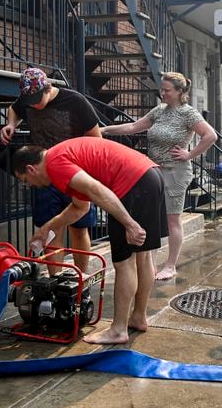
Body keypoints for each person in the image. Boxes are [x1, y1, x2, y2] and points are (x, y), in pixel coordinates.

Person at [12, 137, 166, 344]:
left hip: (132, 185)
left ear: (31, 169)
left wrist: (129, 223)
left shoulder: (55, 164)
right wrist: (47, 228)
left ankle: (118, 330)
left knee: (124, 262)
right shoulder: (62, 156)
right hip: (149, 176)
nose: (30, 185)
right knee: (143, 256)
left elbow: (97, 191)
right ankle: (138, 317)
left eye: (25, 181)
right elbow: (80, 207)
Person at [101, 72, 217, 281]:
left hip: (175, 171)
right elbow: (133, 127)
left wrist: (189, 154)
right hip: (153, 171)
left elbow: (210, 135)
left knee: (172, 219)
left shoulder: (188, 113)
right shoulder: (159, 111)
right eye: (161, 89)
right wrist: (105, 130)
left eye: (167, 90)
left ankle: (170, 265)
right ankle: (151, 265)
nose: (162, 93)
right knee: (152, 218)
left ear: (180, 92)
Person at [0, 67, 102, 275]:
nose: (35, 105)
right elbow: (15, 109)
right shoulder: (27, 99)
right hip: (43, 176)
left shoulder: (75, 101)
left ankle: (80, 278)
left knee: (79, 228)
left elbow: (96, 139)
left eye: (38, 99)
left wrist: (87, 172)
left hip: (74, 174)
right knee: (51, 228)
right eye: (30, 102)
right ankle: (57, 279)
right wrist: (10, 124)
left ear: (48, 88)